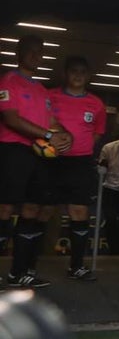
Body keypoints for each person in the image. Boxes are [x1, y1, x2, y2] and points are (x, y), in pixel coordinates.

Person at [0, 36, 74, 288]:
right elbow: (11, 119)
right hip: (14, 151)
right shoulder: (9, 81)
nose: (35, 56)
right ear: (18, 53)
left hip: (38, 155)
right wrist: (50, 134)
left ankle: (19, 272)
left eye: (39, 52)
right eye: (30, 51)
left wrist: (64, 135)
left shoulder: (42, 91)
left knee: (33, 209)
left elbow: (51, 123)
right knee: (5, 209)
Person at [46, 57, 107, 281]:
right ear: (65, 73)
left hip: (81, 163)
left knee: (79, 212)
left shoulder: (96, 103)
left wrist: (84, 146)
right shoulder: (50, 96)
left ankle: (77, 267)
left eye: (83, 71)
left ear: (88, 76)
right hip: (51, 161)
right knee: (43, 210)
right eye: (73, 71)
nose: (78, 75)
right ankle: (27, 267)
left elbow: (98, 131)